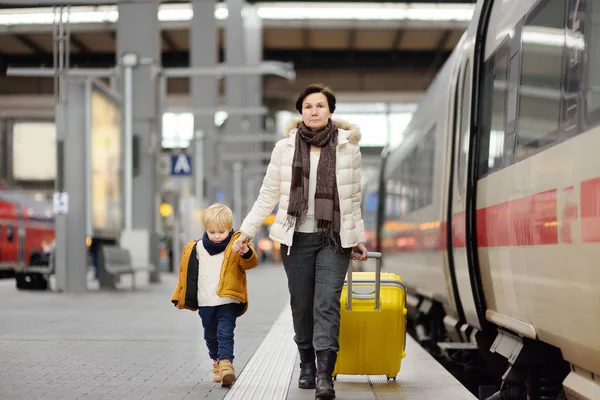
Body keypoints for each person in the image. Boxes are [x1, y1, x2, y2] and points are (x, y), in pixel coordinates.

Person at [232, 84, 368, 399]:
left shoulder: (349, 148)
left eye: (320, 105)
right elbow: (268, 194)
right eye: (308, 106)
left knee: (326, 304)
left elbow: (352, 198)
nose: (314, 111)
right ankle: (306, 362)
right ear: (301, 112)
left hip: (334, 238)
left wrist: (358, 237)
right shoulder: (285, 148)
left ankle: (324, 374)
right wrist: (246, 231)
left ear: (331, 111)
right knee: (301, 304)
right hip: (295, 239)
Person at [171, 203, 259, 387]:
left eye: (221, 231)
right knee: (210, 335)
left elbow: (251, 263)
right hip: (206, 301)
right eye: (212, 232)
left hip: (228, 299)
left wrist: (245, 252)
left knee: (225, 332)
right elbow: (186, 273)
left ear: (229, 229)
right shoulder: (196, 248)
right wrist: (181, 294)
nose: (217, 236)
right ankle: (216, 361)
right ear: (206, 230)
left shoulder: (236, 245)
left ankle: (227, 365)